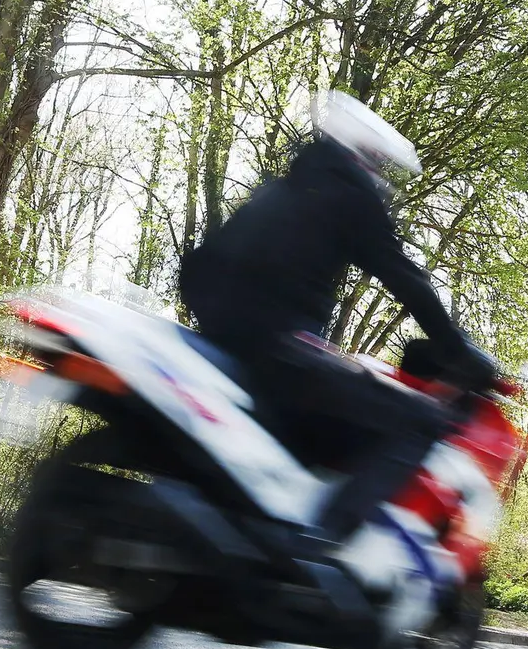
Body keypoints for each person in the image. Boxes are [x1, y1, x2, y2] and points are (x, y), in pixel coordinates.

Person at [179, 90, 492, 553]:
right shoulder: (347, 192)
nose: (382, 178)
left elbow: (202, 268)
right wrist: (454, 346)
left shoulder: (285, 186)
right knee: (420, 419)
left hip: (226, 343)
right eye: (381, 165)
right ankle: (319, 547)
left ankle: (263, 523)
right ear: (364, 155)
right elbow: (403, 276)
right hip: (279, 348)